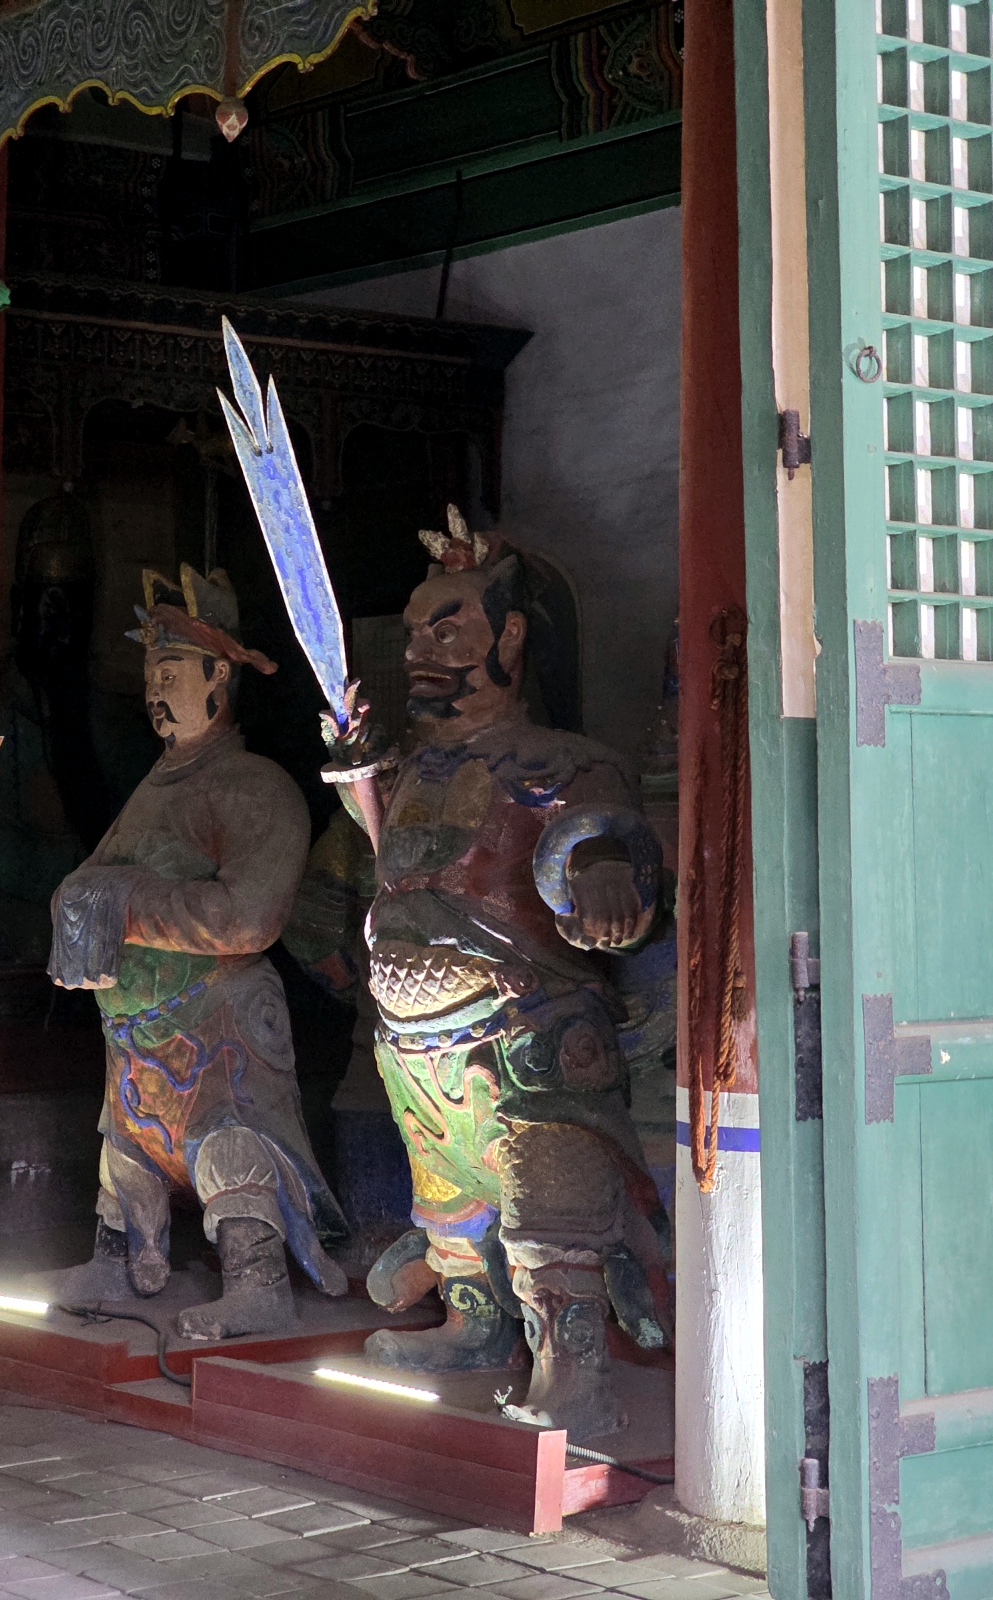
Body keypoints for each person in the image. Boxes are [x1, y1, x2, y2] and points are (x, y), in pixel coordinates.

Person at [340, 508, 672, 1441]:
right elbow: (391, 873)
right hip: (416, 1048)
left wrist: (604, 871)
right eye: (413, 630)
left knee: (545, 1203)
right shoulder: (404, 766)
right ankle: (472, 1323)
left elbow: (608, 831)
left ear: (511, 635)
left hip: (523, 1029)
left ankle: (574, 1365)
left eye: (448, 624)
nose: (421, 647)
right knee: (448, 1202)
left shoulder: (564, 760)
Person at [45, 565, 347, 1340]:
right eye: (149, 673)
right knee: (126, 1143)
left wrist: (126, 901)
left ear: (220, 674)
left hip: (217, 1020)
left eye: (171, 671)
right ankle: (118, 1256)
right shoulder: (155, 786)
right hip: (137, 1029)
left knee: (229, 1142)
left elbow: (248, 918)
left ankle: (257, 1279)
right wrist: (82, 902)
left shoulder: (254, 787)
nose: (155, 689)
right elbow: (93, 877)